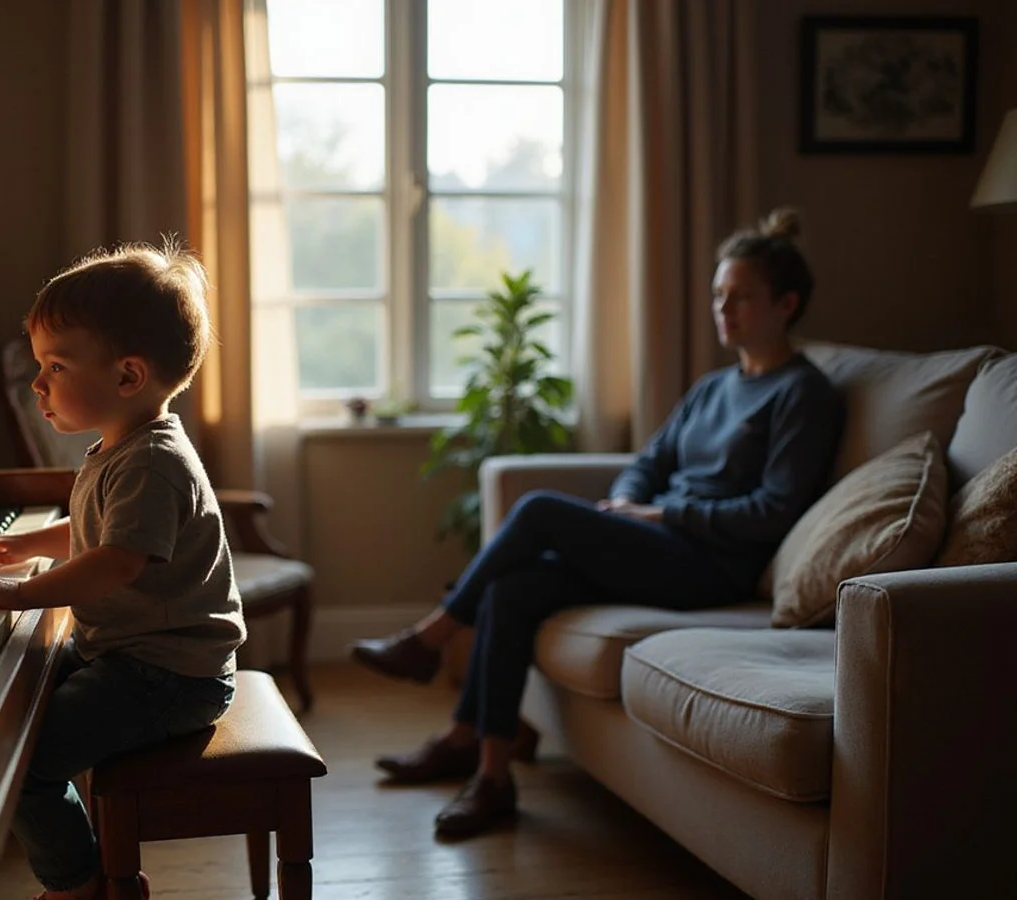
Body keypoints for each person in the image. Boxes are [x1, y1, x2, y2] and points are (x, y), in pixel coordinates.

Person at [349, 207, 843, 841]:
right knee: (512, 588)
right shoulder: (713, 388)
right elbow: (649, 462)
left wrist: (662, 512)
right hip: (658, 540)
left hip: (711, 565)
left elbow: (774, 512)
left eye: (742, 297)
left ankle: (432, 636)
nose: (725, 309)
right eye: (720, 295)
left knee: (538, 510)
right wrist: (627, 502)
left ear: (787, 303)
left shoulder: (804, 395)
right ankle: (487, 768)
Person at [0, 241, 245, 900]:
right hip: (131, 657)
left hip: (169, 678)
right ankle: (102, 868)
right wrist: (32, 545)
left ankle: (79, 884)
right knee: (15, 705)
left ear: (127, 376)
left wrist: (20, 593)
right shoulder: (120, 448)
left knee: (23, 758)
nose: (38, 384)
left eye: (55, 366)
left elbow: (113, 563)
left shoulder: (150, 463)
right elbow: (94, 534)